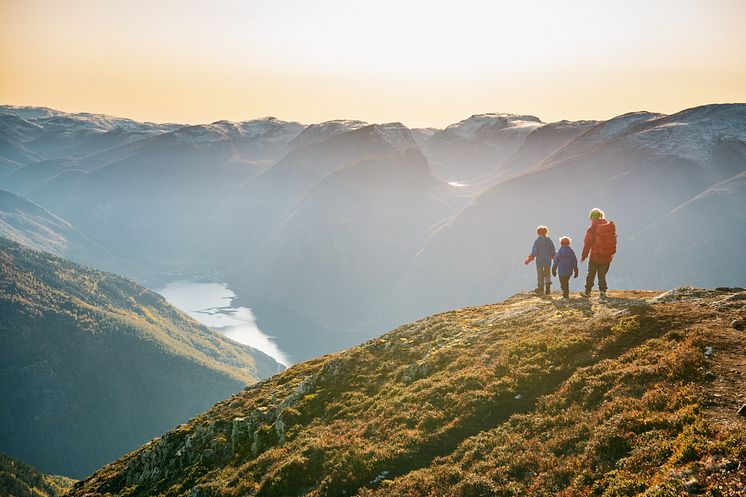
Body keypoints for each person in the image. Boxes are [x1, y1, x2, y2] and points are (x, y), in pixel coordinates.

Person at [580, 208, 617, 298]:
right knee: (602, 275)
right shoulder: (608, 226)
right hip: (607, 256)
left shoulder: (592, 229)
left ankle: (587, 292)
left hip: (595, 257)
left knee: (591, 274)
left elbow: (587, 244)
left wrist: (584, 256)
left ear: (592, 217)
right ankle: (603, 292)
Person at [524, 225, 556, 295]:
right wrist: (554, 258)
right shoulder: (549, 240)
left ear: (538, 232)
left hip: (540, 260)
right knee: (547, 272)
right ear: (546, 232)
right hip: (547, 260)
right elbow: (553, 251)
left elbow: (534, 252)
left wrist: (528, 260)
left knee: (540, 274)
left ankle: (541, 287)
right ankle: (547, 283)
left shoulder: (537, 241)